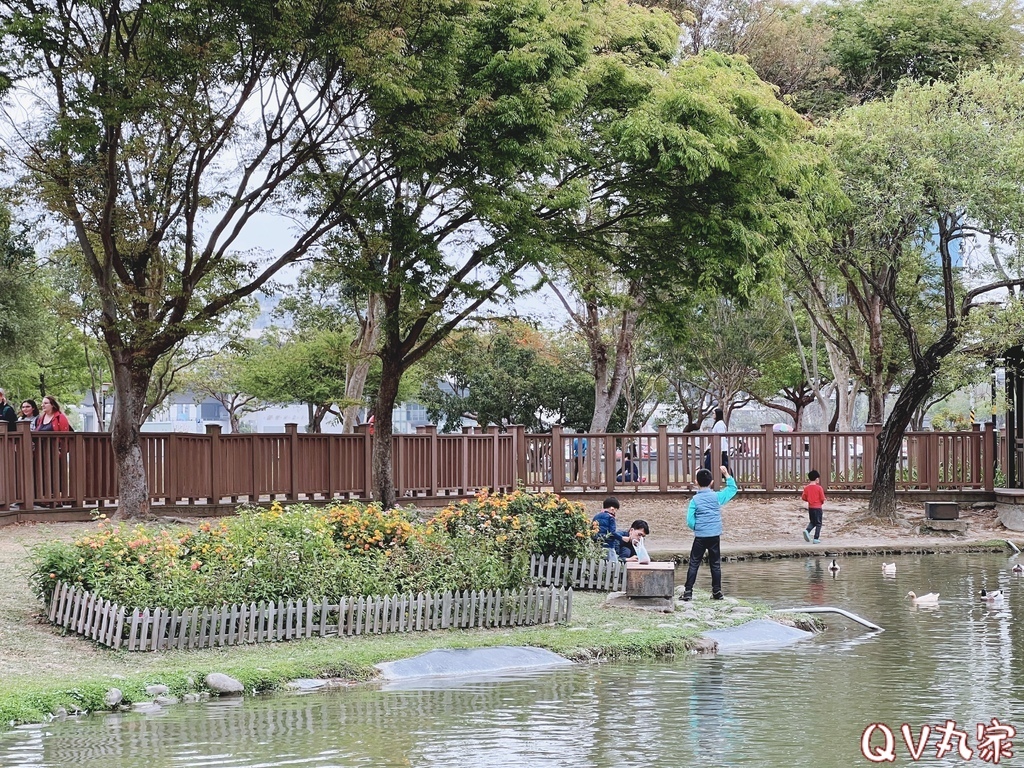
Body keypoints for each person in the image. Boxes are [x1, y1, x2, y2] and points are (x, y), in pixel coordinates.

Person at [682, 465, 738, 601]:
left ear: (696, 482)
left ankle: (688, 592)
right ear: (712, 482)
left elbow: (689, 519)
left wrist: (697, 527)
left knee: (694, 563)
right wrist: (726, 474)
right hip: (714, 535)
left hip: (700, 536)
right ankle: (717, 592)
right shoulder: (717, 497)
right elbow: (733, 489)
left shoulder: (694, 500)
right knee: (715, 564)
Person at [801, 469, 826, 544]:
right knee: (818, 523)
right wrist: (822, 502)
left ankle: (807, 530)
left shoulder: (806, 488)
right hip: (818, 508)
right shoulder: (819, 488)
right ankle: (816, 538)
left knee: (812, 522)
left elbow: (804, 497)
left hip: (810, 508)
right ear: (817, 479)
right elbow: (822, 498)